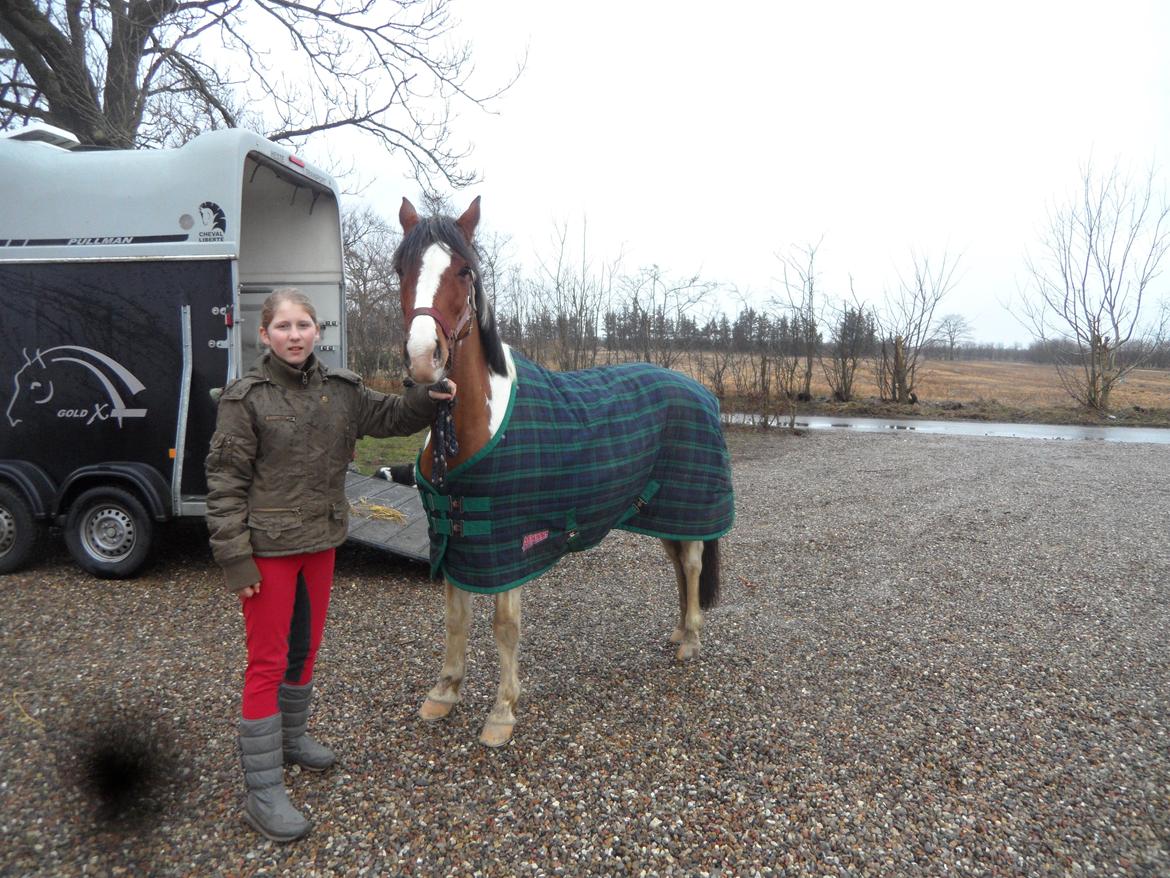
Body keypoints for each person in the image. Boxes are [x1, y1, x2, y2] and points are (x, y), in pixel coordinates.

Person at [205, 288, 454, 842]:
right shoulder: (243, 400)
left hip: (320, 544)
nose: (295, 335)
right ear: (265, 334)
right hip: (267, 553)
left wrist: (429, 392)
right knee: (267, 662)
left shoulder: (340, 390)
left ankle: (291, 742)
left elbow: (392, 415)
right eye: (284, 326)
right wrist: (235, 559)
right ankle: (262, 791)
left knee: (305, 648)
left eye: (304, 325)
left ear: (318, 331)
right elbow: (223, 487)